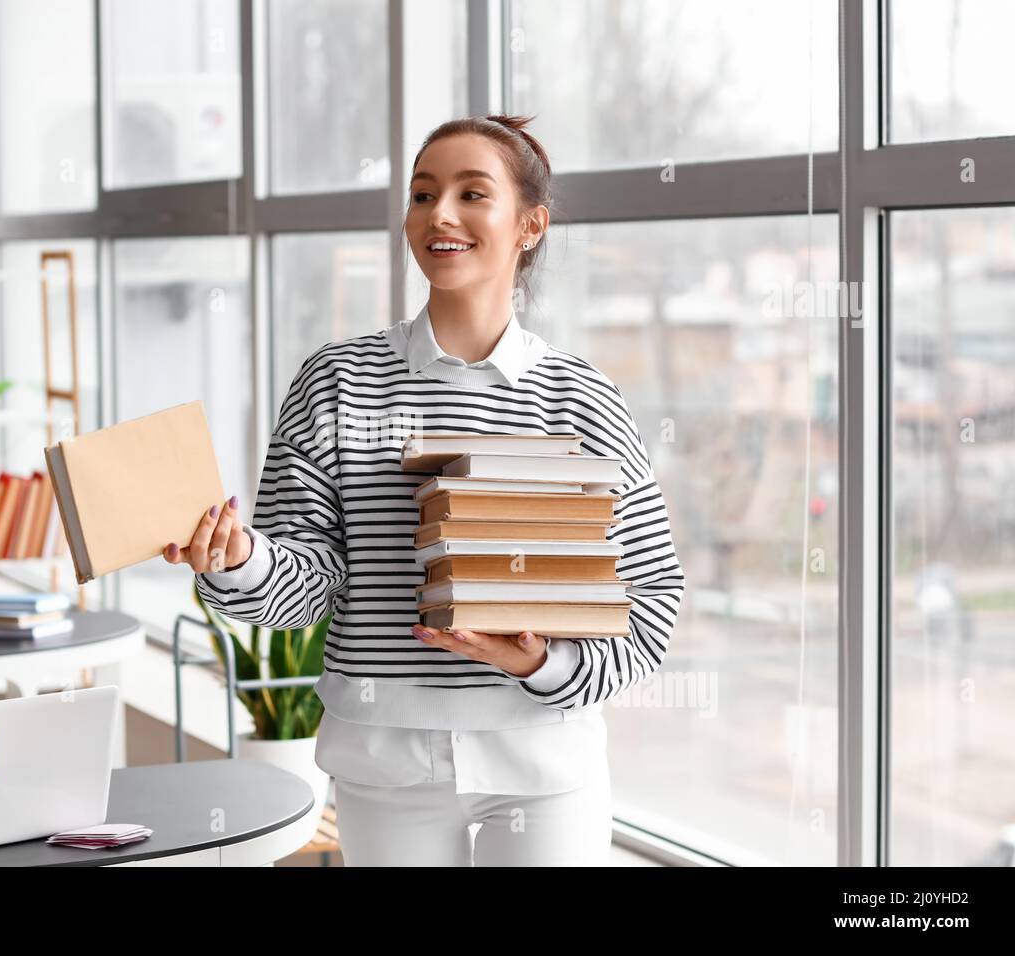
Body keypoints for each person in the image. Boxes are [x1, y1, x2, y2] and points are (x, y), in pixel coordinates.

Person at [164, 114, 685, 866]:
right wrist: (236, 559)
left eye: (473, 194)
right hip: (385, 759)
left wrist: (540, 664)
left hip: (545, 759)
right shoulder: (337, 380)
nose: (439, 214)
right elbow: (307, 586)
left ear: (529, 225)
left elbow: (651, 596)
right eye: (422, 193)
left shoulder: (582, 397)